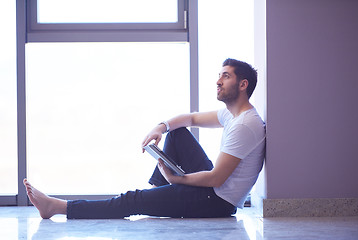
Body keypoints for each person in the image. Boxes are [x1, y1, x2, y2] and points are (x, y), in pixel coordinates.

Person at [23, 58, 266, 219]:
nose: (218, 81)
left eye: (225, 76)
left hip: (217, 200)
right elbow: (190, 119)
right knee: (177, 131)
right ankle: (160, 195)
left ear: (242, 84)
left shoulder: (245, 124)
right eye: (219, 75)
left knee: (133, 200)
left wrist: (176, 178)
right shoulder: (233, 114)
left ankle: (57, 207)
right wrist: (160, 127)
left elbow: (216, 177)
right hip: (215, 189)